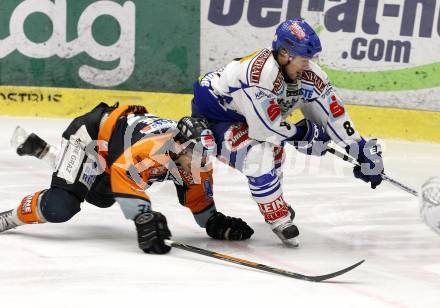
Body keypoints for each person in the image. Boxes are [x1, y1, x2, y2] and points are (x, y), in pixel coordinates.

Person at [191, 18, 384, 245]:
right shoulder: (257, 75)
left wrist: (359, 148)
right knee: (258, 153)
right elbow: (265, 129)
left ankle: (273, 199)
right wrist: (303, 134)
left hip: (252, 119)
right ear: (284, 54)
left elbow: (334, 114)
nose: (308, 65)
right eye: (304, 59)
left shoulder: (309, 75)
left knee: (274, 153)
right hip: (216, 117)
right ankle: (277, 217)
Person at [0, 103, 254, 254]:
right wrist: (143, 216)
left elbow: (199, 200)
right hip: (92, 137)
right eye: (196, 153)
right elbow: (124, 174)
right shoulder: (156, 148)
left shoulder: (194, 156)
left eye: (206, 155)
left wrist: (215, 222)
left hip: (117, 150)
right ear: (180, 145)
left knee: (101, 198)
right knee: (61, 205)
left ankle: (45, 152)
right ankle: (7, 218)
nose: (200, 161)